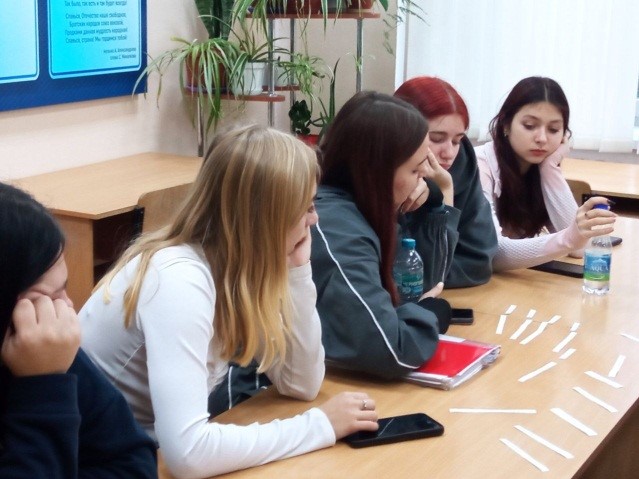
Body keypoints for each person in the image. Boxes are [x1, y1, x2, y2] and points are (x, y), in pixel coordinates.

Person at [79, 124, 379, 479]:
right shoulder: (179, 282)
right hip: (98, 462)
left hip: (143, 451)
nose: (315, 219)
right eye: (306, 207)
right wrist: (319, 426)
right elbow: (188, 455)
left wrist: (298, 271)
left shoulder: (236, 268)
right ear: (265, 221)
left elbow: (301, 383)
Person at [0, 183, 157, 479]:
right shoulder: (38, 351)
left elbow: (136, 464)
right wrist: (42, 385)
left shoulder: (43, 342)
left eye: (63, 289)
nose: (67, 309)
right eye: (44, 298)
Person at [311, 91, 452, 380]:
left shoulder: (364, 207)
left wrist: (434, 205)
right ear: (377, 171)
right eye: (416, 168)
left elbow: (422, 284)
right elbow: (391, 349)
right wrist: (431, 315)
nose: (425, 176)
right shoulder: (338, 229)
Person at [474, 76, 616, 271]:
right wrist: (570, 238)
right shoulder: (479, 164)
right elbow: (494, 253)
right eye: (529, 126)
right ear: (506, 124)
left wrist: (550, 168)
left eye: (553, 129)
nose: (541, 138)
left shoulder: (540, 166)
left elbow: (579, 249)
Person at [394, 76, 497, 287]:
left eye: (457, 140)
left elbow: (480, 259)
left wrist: (442, 192)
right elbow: (404, 274)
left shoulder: (462, 162)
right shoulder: (385, 173)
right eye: (437, 138)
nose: (449, 153)